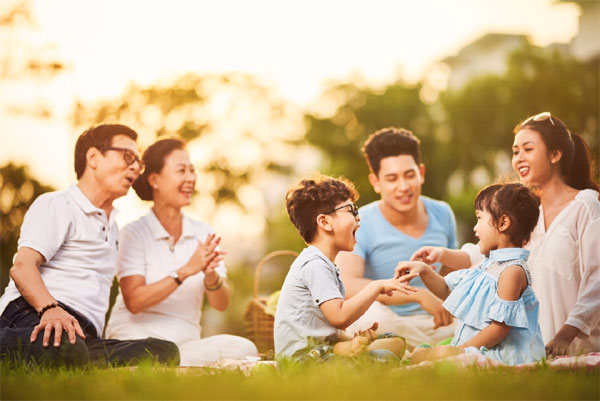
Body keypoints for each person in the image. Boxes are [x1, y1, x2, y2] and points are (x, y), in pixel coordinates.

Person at [0, 124, 179, 367]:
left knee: (162, 351)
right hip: (33, 314)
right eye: (128, 156)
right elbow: (21, 268)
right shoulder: (58, 204)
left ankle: (77, 359)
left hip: (82, 335)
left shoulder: (114, 227)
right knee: (66, 347)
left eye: (138, 162)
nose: (136, 167)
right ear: (93, 157)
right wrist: (50, 309)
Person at [446, 112, 600, 358]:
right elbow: (489, 255)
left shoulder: (585, 206)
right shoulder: (528, 214)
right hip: (535, 350)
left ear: (555, 154)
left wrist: (565, 335)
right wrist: (439, 255)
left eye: (527, 149)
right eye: (515, 151)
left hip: (577, 348)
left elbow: (597, 278)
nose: (518, 158)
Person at [104, 138, 258, 366]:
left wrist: (210, 276)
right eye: (181, 171)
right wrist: (186, 271)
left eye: (192, 171)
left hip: (183, 345)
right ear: (154, 179)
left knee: (245, 348)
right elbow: (134, 301)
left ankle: (174, 366)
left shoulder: (202, 232)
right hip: (134, 339)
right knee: (147, 354)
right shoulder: (133, 232)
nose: (191, 178)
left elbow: (221, 304)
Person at [335, 127, 459, 347]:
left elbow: (453, 276)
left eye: (409, 175)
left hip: (437, 322)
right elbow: (349, 283)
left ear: (421, 173)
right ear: (375, 182)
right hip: (387, 319)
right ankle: (434, 350)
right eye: (392, 178)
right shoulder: (359, 221)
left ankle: (418, 350)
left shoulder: (442, 213)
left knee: (483, 322)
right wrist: (417, 294)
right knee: (372, 320)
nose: (403, 187)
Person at [398, 183, 545, 365]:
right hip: (472, 347)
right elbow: (447, 291)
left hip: (503, 353)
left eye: (479, 218)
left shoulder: (512, 271)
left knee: (437, 356)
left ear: (503, 223)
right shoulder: (486, 264)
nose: (475, 228)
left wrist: (461, 352)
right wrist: (424, 271)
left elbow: (499, 329)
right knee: (425, 354)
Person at [274, 174, 416, 359]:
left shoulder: (326, 264)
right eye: (351, 210)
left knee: (394, 341)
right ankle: (352, 354)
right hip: (303, 359)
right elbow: (339, 318)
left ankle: (352, 351)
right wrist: (375, 286)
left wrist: (354, 339)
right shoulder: (314, 263)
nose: (358, 217)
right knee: (386, 356)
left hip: (324, 349)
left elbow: (326, 328)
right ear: (325, 222)